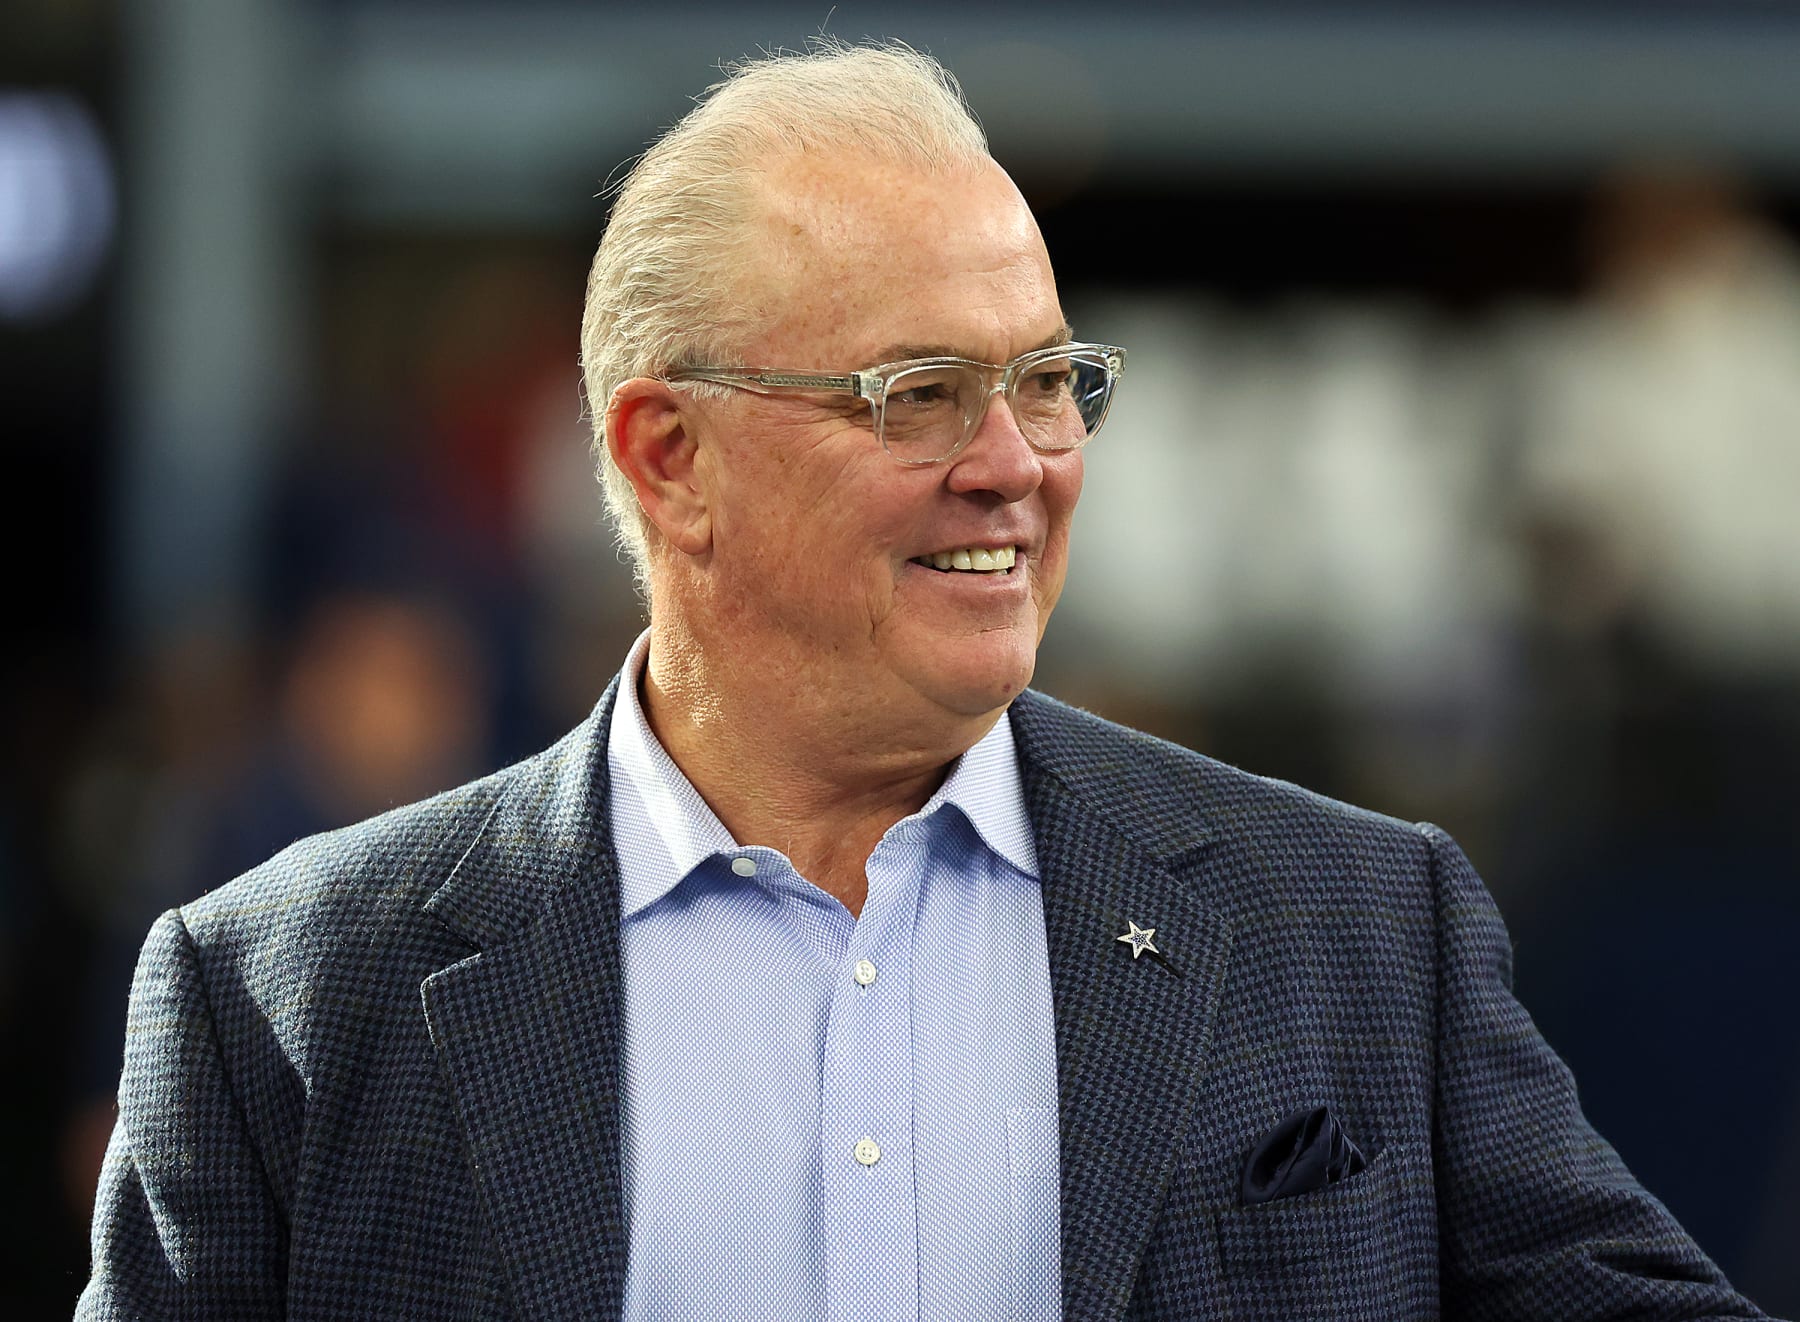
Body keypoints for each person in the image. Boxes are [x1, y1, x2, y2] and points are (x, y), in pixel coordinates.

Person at [78, 41, 1776, 1322]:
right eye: (919, 394)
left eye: (1049, 382)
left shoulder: (1357, 929)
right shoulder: (285, 999)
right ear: (670, 458)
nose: (1016, 462)